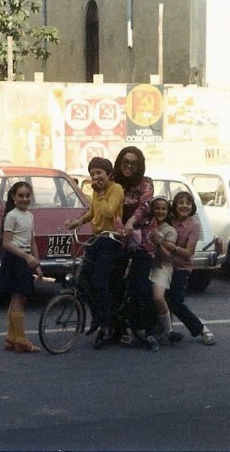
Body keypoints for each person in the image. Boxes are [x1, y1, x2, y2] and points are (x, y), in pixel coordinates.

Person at [65, 157, 124, 348]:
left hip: (111, 240)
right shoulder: (96, 192)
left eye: (99, 173)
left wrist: (100, 193)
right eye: (92, 174)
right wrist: (78, 221)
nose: (95, 177)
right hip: (96, 237)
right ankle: (97, 317)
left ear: (109, 174)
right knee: (82, 279)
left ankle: (106, 324)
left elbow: (108, 212)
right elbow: (93, 212)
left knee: (99, 281)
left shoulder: (115, 189)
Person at [112, 146, 158, 351]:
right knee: (114, 283)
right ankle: (118, 330)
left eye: (134, 163)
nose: (129, 167)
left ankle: (148, 332)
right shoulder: (114, 182)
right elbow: (110, 206)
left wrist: (130, 222)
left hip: (143, 238)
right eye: (125, 162)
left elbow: (144, 207)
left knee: (141, 285)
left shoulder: (146, 183)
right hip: (119, 236)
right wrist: (120, 227)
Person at [0, 181, 43, 353]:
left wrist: (36, 263)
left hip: (24, 259)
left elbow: (32, 241)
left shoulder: (30, 216)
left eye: (27, 196)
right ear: (13, 197)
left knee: (19, 298)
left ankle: (12, 338)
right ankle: (20, 340)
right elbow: (7, 243)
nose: (24, 199)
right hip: (15, 258)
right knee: (18, 298)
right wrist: (26, 257)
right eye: (21, 196)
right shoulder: (12, 216)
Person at [167, 191, 216, 345]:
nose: (184, 206)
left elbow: (188, 253)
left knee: (176, 302)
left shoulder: (193, 225)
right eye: (180, 202)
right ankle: (165, 329)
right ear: (174, 205)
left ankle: (201, 329)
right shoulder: (169, 222)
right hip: (164, 266)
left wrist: (171, 247)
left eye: (188, 203)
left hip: (181, 268)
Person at [147, 196, 184, 346]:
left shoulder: (170, 231)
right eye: (157, 208)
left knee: (157, 296)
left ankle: (169, 331)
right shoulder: (146, 226)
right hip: (146, 265)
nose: (160, 211)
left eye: (163, 208)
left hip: (161, 266)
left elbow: (167, 256)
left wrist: (158, 243)